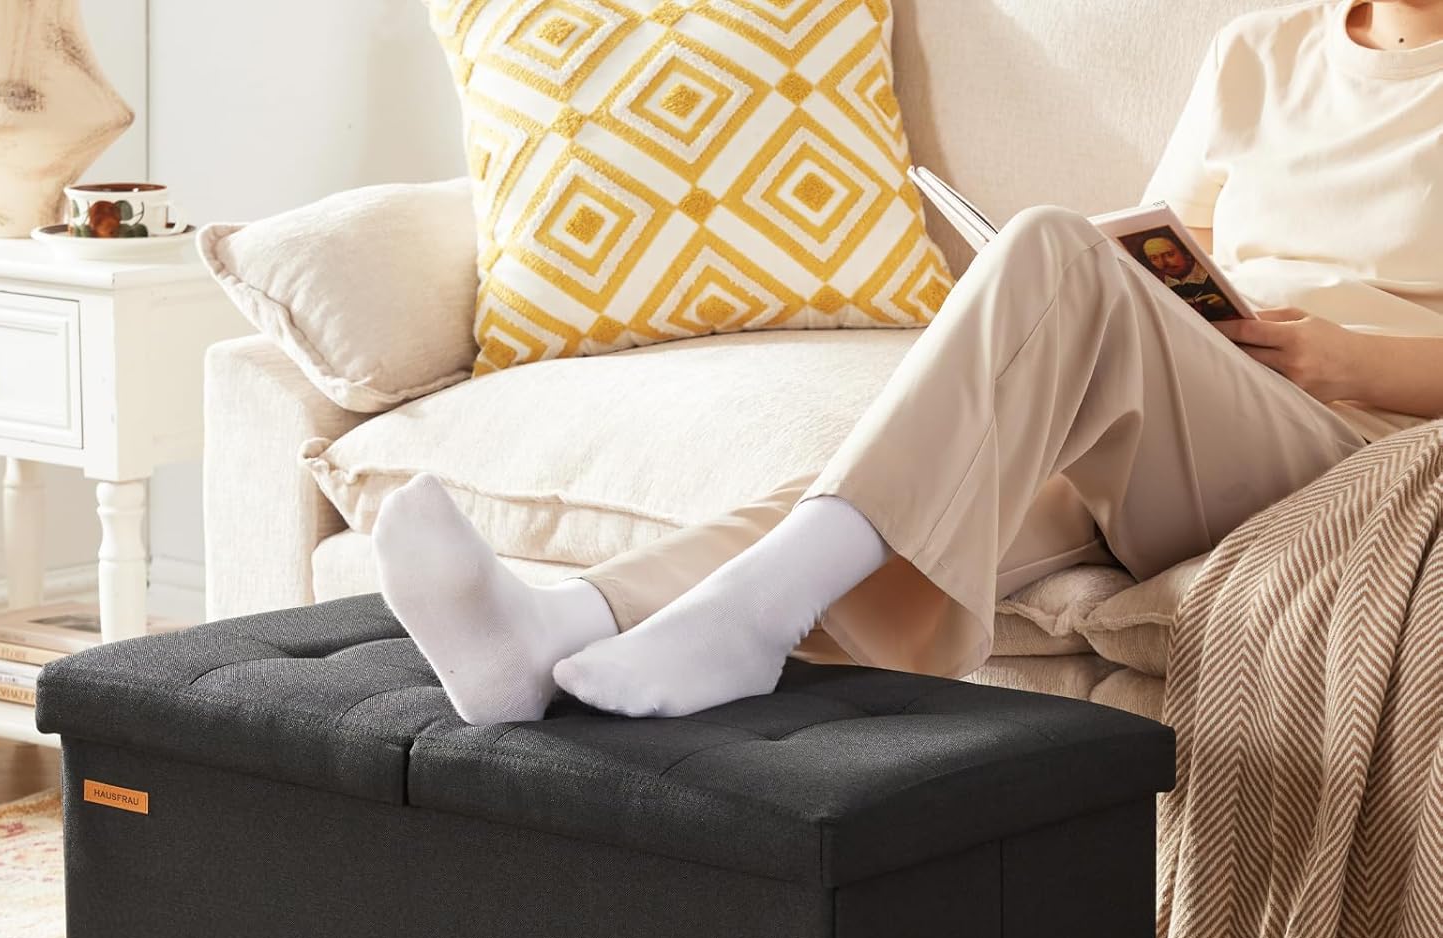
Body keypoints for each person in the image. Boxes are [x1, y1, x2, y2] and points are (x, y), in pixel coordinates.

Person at [375, 0, 1443, 725]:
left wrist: (1349, 361)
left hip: (1368, 450)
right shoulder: (1258, 51)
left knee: (1052, 246)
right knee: (910, 483)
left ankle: (750, 620)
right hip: (1210, 415)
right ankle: (558, 627)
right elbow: (1162, 252)